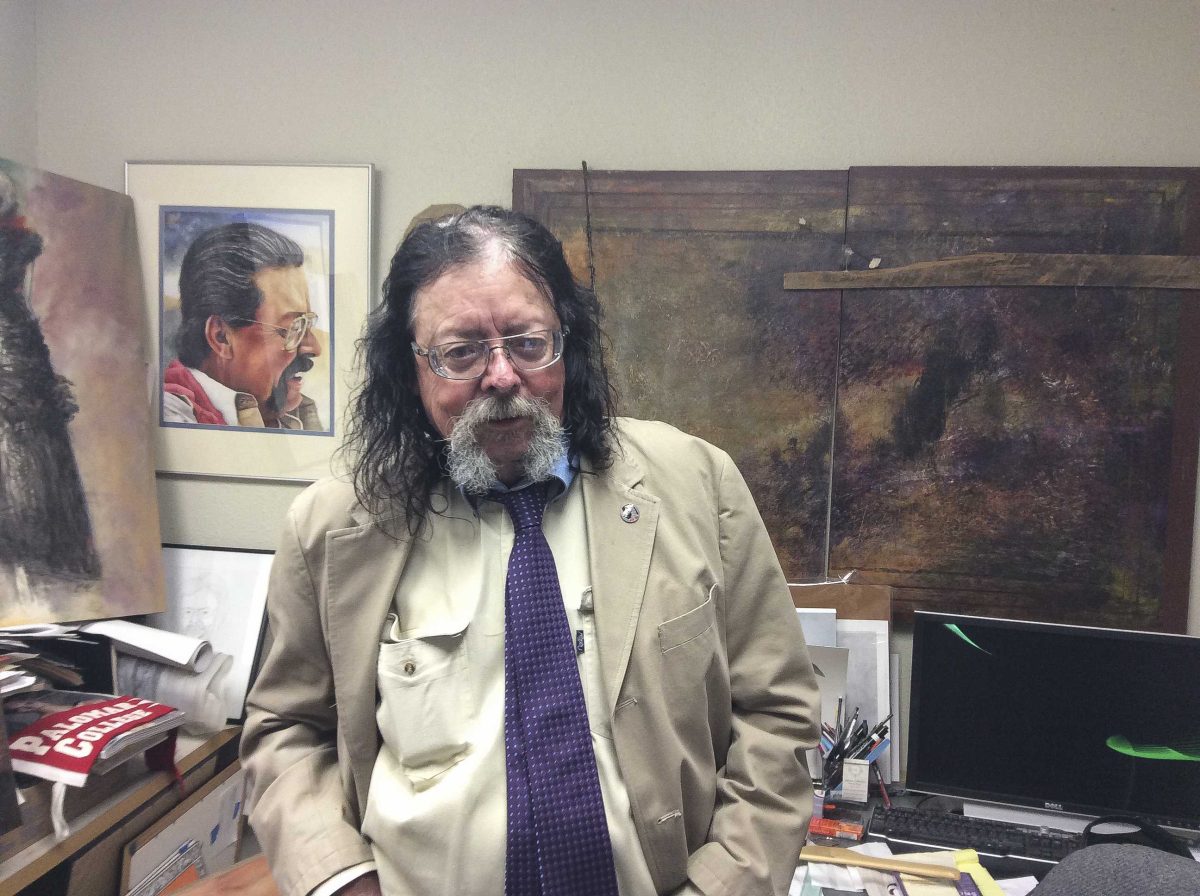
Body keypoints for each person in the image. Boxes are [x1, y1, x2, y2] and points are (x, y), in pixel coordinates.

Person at [241, 206, 820, 896]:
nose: (502, 376)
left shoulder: (698, 485)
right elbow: (285, 732)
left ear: (566, 344)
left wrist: (724, 884)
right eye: (460, 352)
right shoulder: (334, 528)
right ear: (410, 368)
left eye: (526, 341)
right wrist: (340, 879)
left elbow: (777, 713)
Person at [161, 222, 323, 428]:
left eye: (307, 324)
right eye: (293, 328)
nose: (314, 348)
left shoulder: (297, 416)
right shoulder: (173, 414)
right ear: (221, 336)